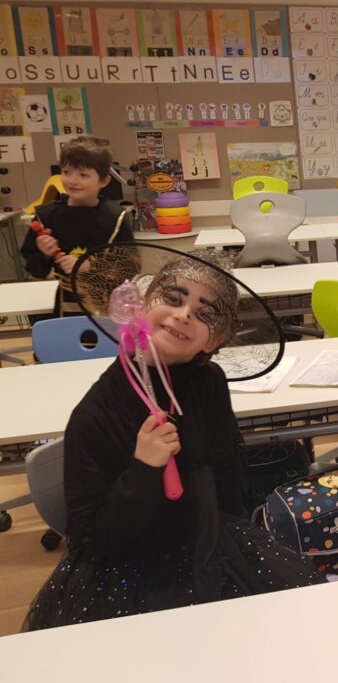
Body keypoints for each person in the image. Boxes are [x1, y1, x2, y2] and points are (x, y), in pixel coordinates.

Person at [24, 254, 319, 630]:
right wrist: (144, 469)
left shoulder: (210, 381)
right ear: (141, 305)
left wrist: (237, 548)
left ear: (215, 341)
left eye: (205, 314)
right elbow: (91, 541)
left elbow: (228, 484)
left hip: (209, 545)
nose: (183, 315)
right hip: (127, 572)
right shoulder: (96, 414)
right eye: (173, 299)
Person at [21, 137, 134, 315]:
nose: (73, 181)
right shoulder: (46, 216)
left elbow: (130, 267)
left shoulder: (115, 217)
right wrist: (45, 254)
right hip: (66, 305)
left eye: (83, 175)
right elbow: (35, 270)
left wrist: (90, 266)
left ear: (104, 181)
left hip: (109, 305)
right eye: (66, 172)